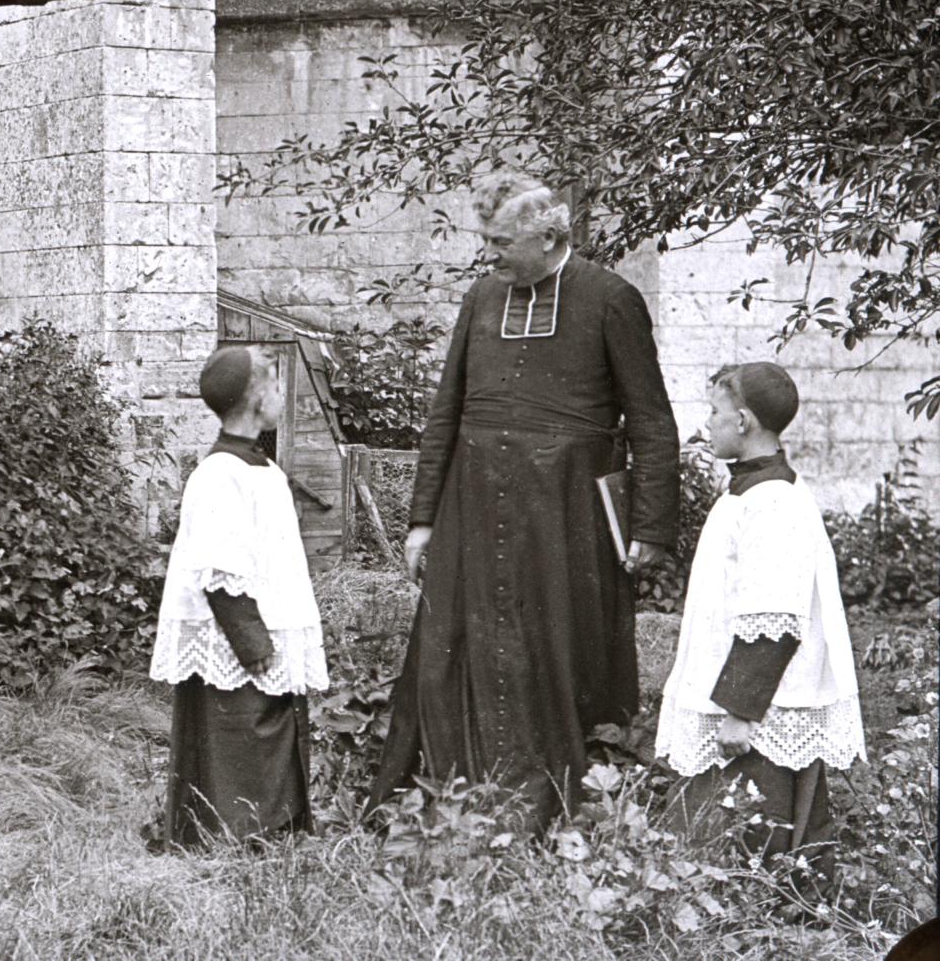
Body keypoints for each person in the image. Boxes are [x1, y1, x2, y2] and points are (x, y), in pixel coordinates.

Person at [370, 171, 681, 826]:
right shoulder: (482, 296)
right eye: (487, 242)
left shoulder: (611, 298)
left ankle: (556, 799)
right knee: (455, 650)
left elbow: (652, 422)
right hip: (472, 505)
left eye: (501, 242)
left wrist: (649, 528)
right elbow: (445, 413)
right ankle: (455, 792)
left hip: (564, 513)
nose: (490, 256)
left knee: (556, 652)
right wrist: (422, 519)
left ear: (548, 236)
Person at [655, 362, 864, 883]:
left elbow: (772, 619)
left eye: (715, 412)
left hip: (759, 710)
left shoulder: (773, 503)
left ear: (743, 421)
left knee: (758, 834)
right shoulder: (747, 495)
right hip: (743, 699)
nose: (708, 425)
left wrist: (740, 714)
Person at [150, 344, 328, 846]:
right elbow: (218, 569)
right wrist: (253, 646)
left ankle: (274, 829)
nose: (280, 397)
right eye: (274, 387)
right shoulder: (218, 475)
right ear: (254, 400)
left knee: (271, 732)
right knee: (238, 735)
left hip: (271, 626)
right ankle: (229, 835)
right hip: (236, 641)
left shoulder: (264, 470)